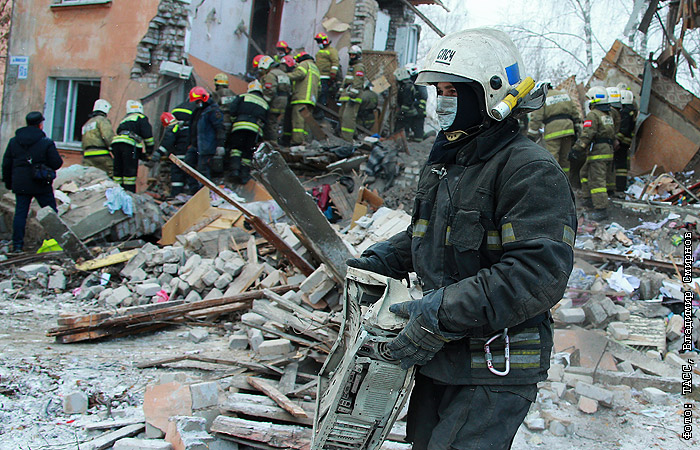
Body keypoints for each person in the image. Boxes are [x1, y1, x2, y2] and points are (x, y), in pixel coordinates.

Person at [346, 28, 576, 450]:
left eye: (453, 91)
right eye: (439, 91)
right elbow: (430, 235)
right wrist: (375, 262)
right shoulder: (451, 161)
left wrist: (439, 311)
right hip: (442, 361)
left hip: (494, 367)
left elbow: (537, 274)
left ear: (487, 95)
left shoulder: (529, 170)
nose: (442, 102)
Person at [2, 112, 63, 253]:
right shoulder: (46, 142)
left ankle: (17, 246)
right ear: (40, 124)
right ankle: (56, 242)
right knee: (50, 213)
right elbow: (56, 163)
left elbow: (6, 164)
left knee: (20, 214)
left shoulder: (14, 141)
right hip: (41, 182)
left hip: (21, 184)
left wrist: (9, 182)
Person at [570, 86, 615, 220]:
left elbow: (587, 134)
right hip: (606, 150)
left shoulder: (593, 115)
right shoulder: (607, 115)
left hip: (598, 152)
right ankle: (588, 199)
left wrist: (576, 149)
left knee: (597, 181)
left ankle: (601, 209)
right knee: (584, 172)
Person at [527, 81, 581, 180]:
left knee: (553, 158)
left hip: (553, 131)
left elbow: (537, 117)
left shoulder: (544, 97)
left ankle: (554, 182)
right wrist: (577, 129)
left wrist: (531, 135)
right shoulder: (564, 95)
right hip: (569, 130)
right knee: (565, 159)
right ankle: (566, 181)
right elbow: (575, 114)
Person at [227, 80, 269, 184]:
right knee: (248, 153)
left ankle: (234, 171)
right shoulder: (265, 103)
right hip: (255, 132)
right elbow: (266, 121)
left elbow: (232, 110)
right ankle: (244, 175)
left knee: (236, 149)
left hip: (239, 127)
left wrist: (234, 120)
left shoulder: (242, 97)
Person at [111, 100, 154, 192]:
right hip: (129, 145)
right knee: (129, 172)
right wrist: (149, 151)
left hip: (116, 144)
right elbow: (148, 136)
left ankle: (117, 193)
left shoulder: (124, 119)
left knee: (118, 172)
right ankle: (129, 194)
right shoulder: (141, 118)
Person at [188, 86, 225, 183]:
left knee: (203, 172)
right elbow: (193, 129)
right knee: (189, 166)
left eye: (198, 101)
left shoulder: (213, 111)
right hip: (198, 147)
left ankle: (205, 194)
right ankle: (195, 192)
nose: (197, 103)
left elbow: (220, 128)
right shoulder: (198, 112)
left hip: (207, 148)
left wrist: (220, 145)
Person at [152, 112, 190, 196]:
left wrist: (158, 153)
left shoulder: (173, 128)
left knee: (177, 176)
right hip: (189, 155)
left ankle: (176, 195)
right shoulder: (183, 127)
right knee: (189, 175)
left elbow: (168, 141)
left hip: (179, 156)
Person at [287, 51, 320, 146]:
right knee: (306, 122)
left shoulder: (304, 64)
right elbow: (319, 87)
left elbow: (300, 74)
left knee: (298, 121)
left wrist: (285, 76)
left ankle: (297, 142)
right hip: (311, 99)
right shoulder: (316, 68)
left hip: (301, 97)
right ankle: (305, 141)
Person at [259, 55, 291, 142]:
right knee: (278, 123)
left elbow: (270, 90)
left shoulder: (271, 75)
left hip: (275, 101)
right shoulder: (283, 74)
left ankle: (273, 143)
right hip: (284, 101)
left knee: (271, 122)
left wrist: (264, 101)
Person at [81, 99, 114, 177]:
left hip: (87, 156)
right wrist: (115, 148)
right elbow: (108, 136)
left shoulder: (87, 123)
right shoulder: (102, 120)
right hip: (101, 154)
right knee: (112, 172)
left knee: (90, 177)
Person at [338, 45, 365, 141]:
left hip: (353, 97)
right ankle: (353, 136)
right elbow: (346, 81)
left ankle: (347, 140)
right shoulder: (351, 67)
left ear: (358, 56)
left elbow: (358, 82)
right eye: (351, 55)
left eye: (354, 55)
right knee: (342, 115)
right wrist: (340, 91)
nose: (352, 57)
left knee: (347, 118)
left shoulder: (359, 67)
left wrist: (353, 94)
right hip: (346, 96)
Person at [212, 73, 237, 173]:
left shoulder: (216, 94)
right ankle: (228, 167)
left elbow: (212, 108)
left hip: (221, 122)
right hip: (231, 122)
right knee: (228, 146)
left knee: (219, 145)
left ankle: (217, 169)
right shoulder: (233, 94)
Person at [615, 88, 638, 192]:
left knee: (619, 166)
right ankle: (621, 186)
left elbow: (623, 128)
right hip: (627, 141)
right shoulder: (632, 111)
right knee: (623, 166)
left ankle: (619, 186)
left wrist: (617, 140)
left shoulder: (625, 112)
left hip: (622, 142)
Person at [314, 32, 340, 116]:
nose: (318, 44)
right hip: (319, 76)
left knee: (323, 94)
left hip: (325, 77)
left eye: (319, 41)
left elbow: (335, 63)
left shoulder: (332, 51)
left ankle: (321, 112)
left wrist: (332, 75)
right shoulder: (320, 52)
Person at [394, 66, 419, 137]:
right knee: (405, 128)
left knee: (401, 128)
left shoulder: (406, 87)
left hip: (407, 113)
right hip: (409, 112)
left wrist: (401, 113)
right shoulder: (407, 85)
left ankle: (403, 141)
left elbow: (407, 102)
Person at [409, 64, 428, 141]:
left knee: (418, 124)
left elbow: (423, 96)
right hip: (418, 107)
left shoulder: (418, 81)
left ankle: (419, 139)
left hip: (419, 109)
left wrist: (418, 106)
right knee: (415, 124)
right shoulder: (415, 80)